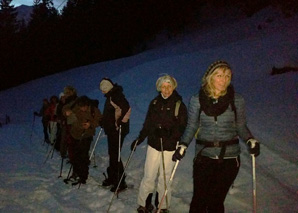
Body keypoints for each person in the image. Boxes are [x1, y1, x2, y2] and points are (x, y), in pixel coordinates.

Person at [172, 60, 260, 213]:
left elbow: (240, 125)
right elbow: (192, 125)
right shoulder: (197, 100)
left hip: (230, 158)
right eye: (219, 75)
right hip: (204, 156)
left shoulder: (236, 99)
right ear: (210, 78)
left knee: (216, 201)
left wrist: (250, 139)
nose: (224, 79)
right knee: (199, 199)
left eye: (227, 76)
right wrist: (183, 144)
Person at [131, 75, 187, 213]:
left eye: (169, 86)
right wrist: (140, 138)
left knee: (165, 177)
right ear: (159, 88)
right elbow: (148, 123)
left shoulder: (179, 105)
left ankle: (162, 206)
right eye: (163, 86)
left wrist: (169, 134)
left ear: (173, 87)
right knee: (149, 175)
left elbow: (182, 127)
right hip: (153, 144)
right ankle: (144, 203)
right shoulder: (155, 103)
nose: (166, 89)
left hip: (169, 147)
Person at [99, 78, 131, 192]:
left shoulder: (116, 95)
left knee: (115, 155)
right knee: (112, 154)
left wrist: (122, 122)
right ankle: (113, 178)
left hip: (118, 130)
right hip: (112, 130)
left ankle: (120, 182)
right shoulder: (110, 96)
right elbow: (111, 113)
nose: (102, 91)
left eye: (104, 89)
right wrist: (104, 122)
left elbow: (127, 108)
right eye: (101, 89)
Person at [64, 95, 102, 184]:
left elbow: (99, 120)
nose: (82, 109)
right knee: (74, 156)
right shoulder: (75, 105)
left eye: (84, 107)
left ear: (87, 105)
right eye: (81, 107)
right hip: (75, 134)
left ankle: (83, 176)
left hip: (86, 135)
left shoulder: (94, 110)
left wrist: (90, 124)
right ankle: (76, 173)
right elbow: (65, 108)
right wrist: (66, 112)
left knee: (83, 156)